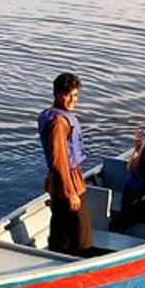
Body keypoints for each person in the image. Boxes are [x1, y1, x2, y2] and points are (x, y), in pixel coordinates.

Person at [38, 72, 93, 255]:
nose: (72, 99)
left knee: (60, 227)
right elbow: (60, 160)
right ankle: (82, 265)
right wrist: (71, 194)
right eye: (67, 94)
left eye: (75, 95)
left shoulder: (52, 115)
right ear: (57, 94)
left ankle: (56, 257)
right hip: (68, 182)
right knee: (81, 230)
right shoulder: (59, 122)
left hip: (60, 181)